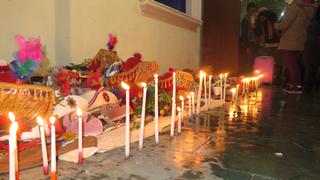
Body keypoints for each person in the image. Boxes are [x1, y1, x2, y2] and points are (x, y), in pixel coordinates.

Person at [274, 0, 314, 93]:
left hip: (290, 40)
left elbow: (284, 25)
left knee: (291, 64)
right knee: (294, 63)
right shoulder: (308, 9)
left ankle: (296, 85)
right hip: (299, 39)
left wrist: (276, 25)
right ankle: (293, 85)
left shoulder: (294, 7)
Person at [256, 9, 281, 85]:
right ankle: (266, 78)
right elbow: (258, 33)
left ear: (267, 16)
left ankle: (277, 78)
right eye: (260, 17)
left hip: (276, 45)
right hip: (265, 45)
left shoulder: (274, 23)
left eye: (262, 17)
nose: (261, 18)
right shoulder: (260, 24)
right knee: (266, 63)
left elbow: (278, 33)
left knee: (277, 63)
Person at [303, 5, 320, 93]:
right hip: (314, 43)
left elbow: (310, 36)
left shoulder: (314, 24)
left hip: (313, 44)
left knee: (311, 65)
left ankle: (309, 86)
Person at [240, 2, 259, 73]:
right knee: (249, 61)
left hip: (256, 43)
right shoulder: (245, 20)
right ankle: (248, 77)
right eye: (251, 11)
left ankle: (254, 77)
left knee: (255, 61)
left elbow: (258, 32)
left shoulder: (256, 20)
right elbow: (244, 34)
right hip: (249, 43)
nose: (253, 13)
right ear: (248, 11)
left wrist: (254, 24)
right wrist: (247, 46)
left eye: (254, 11)